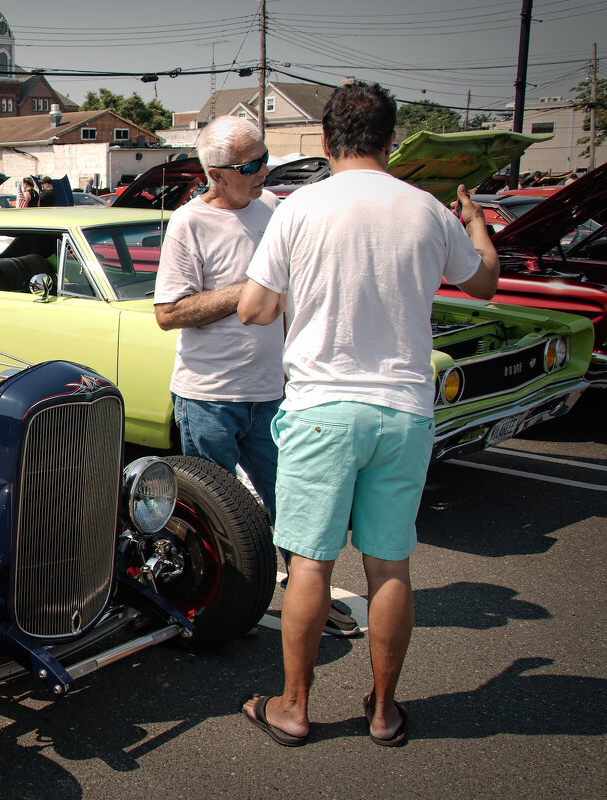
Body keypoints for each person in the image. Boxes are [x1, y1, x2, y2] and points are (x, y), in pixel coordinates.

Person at [236, 82, 499, 748]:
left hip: (321, 409)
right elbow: (484, 282)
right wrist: (477, 227)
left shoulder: (297, 210)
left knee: (310, 565)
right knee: (389, 567)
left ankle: (294, 708)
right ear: (392, 140)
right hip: (404, 409)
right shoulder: (427, 211)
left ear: (326, 141)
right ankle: (383, 713)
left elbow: (255, 311)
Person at [152, 116, 363, 637]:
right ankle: (221, 602)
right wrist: (248, 290)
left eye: (264, 158)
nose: (263, 170)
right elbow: (169, 313)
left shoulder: (275, 209)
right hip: (209, 397)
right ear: (216, 174)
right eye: (250, 165)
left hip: (273, 391)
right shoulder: (188, 224)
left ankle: (307, 597)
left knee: (294, 502)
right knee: (217, 517)